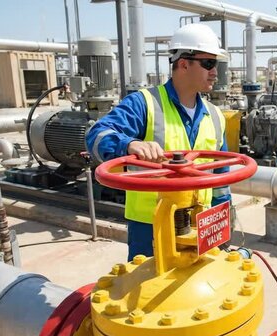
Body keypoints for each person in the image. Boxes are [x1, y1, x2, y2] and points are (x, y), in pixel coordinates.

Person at [86, 24, 231, 261]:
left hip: (200, 223)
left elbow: (220, 178)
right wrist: (128, 144)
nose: (215, 72)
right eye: (209, 64)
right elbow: (96, 134)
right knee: (149, 292)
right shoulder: (144, 104)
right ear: (184, 63)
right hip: (151, 224)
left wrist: (222, 224)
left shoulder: (215, 116)